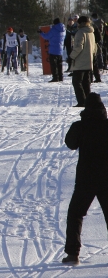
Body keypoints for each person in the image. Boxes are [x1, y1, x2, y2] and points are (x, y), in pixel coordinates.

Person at [62, 93, 108, 266]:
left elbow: (70, 143)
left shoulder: (80, 126)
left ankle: (73, 255)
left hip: (86, 179)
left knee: (75, 214)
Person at [70, 16, 96, 107]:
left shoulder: (80, 32)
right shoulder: (91, 33)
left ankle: (82, 101)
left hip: (80, 62)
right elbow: (94, 48)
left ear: (81, 23)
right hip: (89, 61)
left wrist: (71, 56)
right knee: (86, 82)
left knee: (77, 82)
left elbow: (78, 47)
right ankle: (88, 102)